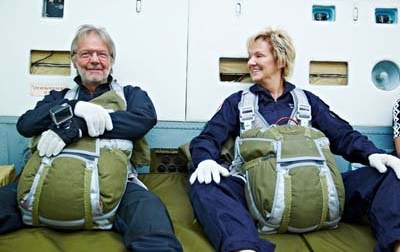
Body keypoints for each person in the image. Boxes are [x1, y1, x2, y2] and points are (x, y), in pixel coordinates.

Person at [188, 27, 400, 252]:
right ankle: (244, 248)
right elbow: (208, 137)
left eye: (259, 56)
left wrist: (375, 154)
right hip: (257, 194)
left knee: (388, 175)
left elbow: (343, 135)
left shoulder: (307, 101)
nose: (250, 62)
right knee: (205, 184)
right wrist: (204, 160)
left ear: (280, 59)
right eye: (250, 56)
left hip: (317, 190)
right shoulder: (238, 102)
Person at [0, 24, 182, 252]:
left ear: (112, 60)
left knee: (151, 217)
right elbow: (26, 125)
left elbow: (143, 121)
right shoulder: (59, 98)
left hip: (118, 185)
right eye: (86, 54)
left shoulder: (132, 95)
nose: (95, 60)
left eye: (102, 54)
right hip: (45, 175)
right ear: (74, 60)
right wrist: (73, 107)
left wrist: (78, 126)